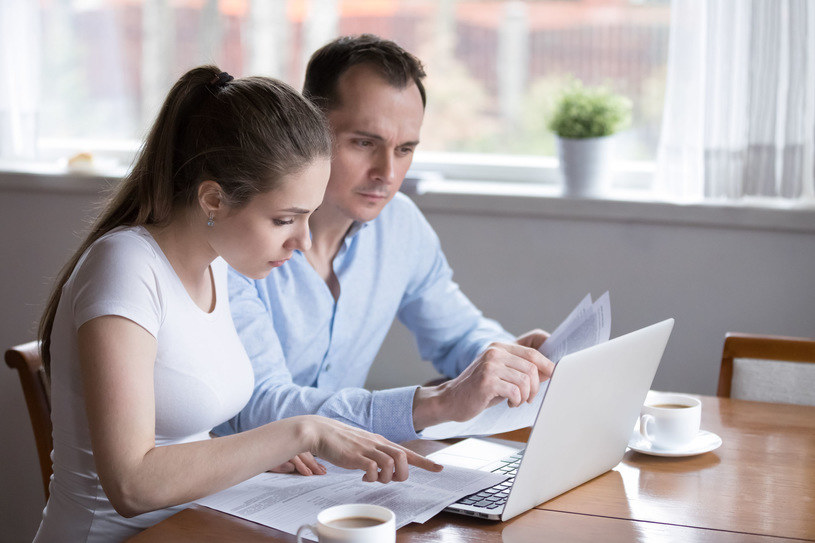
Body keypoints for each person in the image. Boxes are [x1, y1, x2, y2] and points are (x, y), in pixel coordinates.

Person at [33, 65, 441, 543]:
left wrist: (256, 455)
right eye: (285, 219)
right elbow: (132, 484)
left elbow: (181, 433)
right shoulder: (124, 269)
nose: (302, 241)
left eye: (306, 217)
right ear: (213, 200)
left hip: (193, 526)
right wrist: (299, 433)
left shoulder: (216, 264)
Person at [216, 35, 554, 473]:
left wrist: (504, 360)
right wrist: (435, 404)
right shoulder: (238, 234)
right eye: (363, 142)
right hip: (236, 485)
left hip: (342, 478)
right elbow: (258, 405)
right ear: (309, 126)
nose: (387, 174)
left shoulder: (400, 225)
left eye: (405, 149)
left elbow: (455, 334)